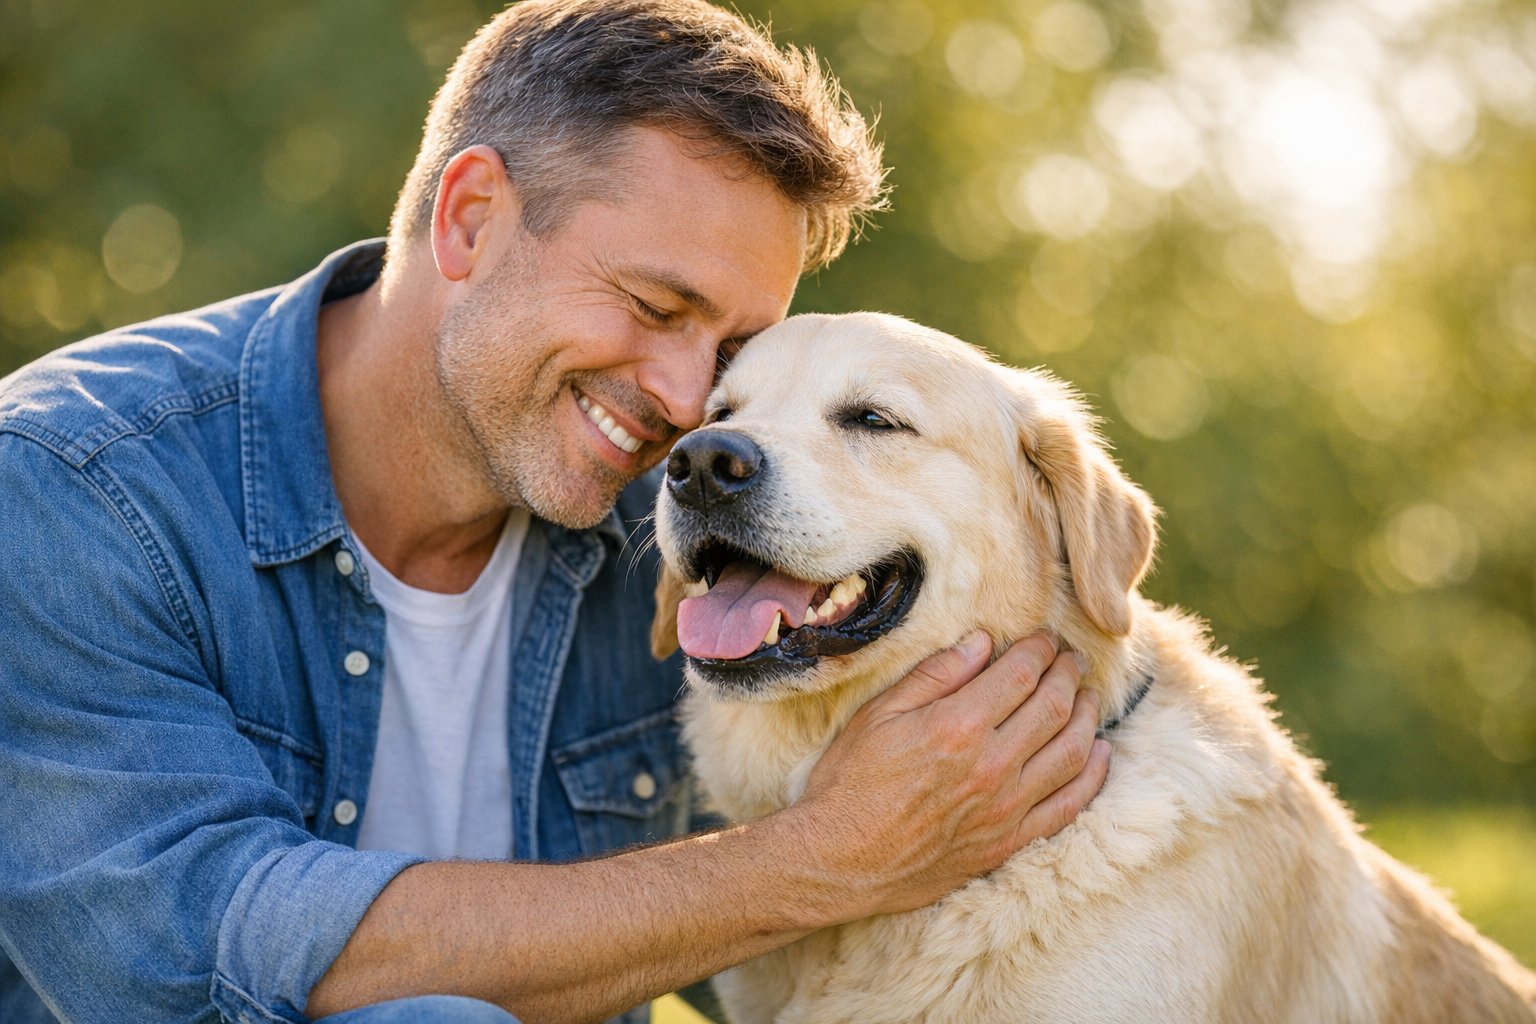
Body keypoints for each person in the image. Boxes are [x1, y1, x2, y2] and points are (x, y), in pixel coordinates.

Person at [0, 2, 1111, 1021]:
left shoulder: (695, 526)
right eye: (651, 304)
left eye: (729, 352)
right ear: (473, 218)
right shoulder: (68, 489)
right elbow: (187, 952)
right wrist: (822, 856)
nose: (689, 405)